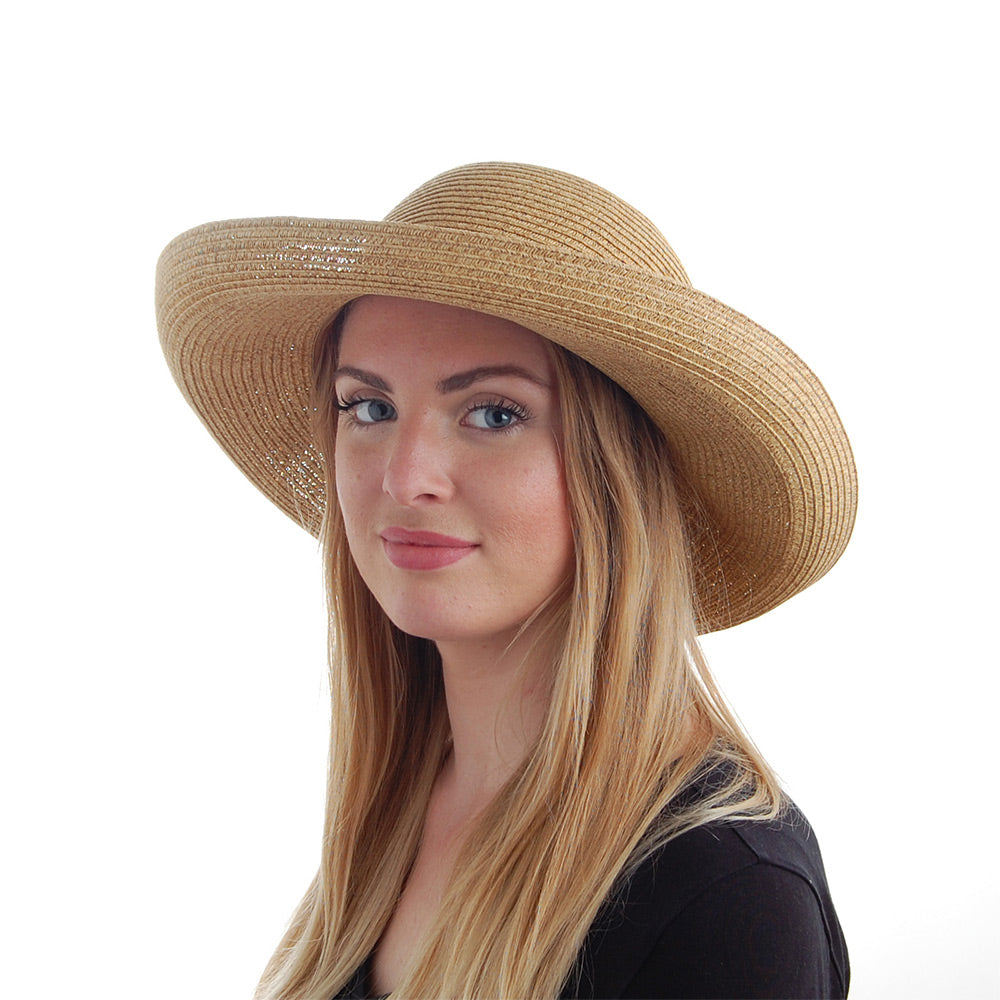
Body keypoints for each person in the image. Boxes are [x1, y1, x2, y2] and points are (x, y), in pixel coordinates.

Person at [157, 162, 855, 999]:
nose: (406, 477)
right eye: (369, 407)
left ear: (619, 475)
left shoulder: (726, 896)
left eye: (494, 413)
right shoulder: (405, 803)